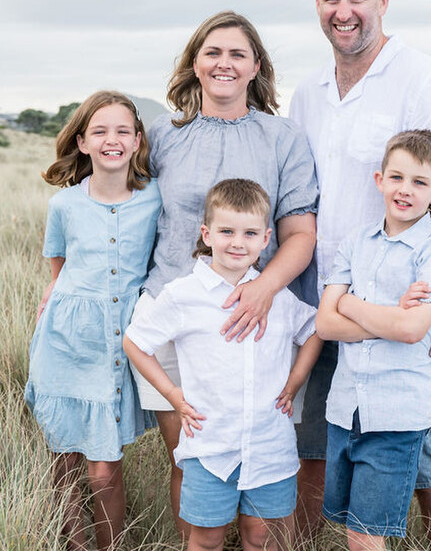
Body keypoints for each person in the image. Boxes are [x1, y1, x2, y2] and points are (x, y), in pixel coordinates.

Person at [289, 0, 431, 551]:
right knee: (316, 451)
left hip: (402, 311)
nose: (343, 11)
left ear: (383, 0)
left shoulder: (422, 79)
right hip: (321, 304)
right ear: (317, 3)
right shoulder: (308, 93)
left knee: (427, 463)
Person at [130, 11, 318, 537]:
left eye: (238, 54)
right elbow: (120, 204)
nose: (224, 64)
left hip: (260, 314)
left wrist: (262, 289)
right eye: (213, 52)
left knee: (265, 457)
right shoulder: (163, 137)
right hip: (175, 311)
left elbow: (301, 234)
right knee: (189, 462)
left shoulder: (283, 139)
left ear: (256, 66)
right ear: (195, 63)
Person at [125, 179, 324, 551]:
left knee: (263, 535)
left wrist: (296, 380)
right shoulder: (183, 295)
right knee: (206, 538)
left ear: (266, 239)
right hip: (210, 446)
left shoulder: (277, 295)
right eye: (227, 231)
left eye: (249, 233)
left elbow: (316, 329)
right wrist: (172, 393)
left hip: (269, 444)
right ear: (207, 233)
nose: (237, 242)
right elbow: (135, 342)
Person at [24, 90, 162, 551]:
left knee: (105, 466)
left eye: (123, 131)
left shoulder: (154, 198)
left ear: (138, 140)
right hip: (66, 341)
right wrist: (54, 296)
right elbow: (59, 271)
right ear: (82, 142)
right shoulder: (63, 205)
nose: (112, 140)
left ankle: (111, 545)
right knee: (64, 453)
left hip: (118, 343)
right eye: (100, 131)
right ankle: (76, 541)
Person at [317, 130, 431, 550]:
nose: (405, 190)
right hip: (347, 408)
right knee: (351, 530)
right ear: (379, 180)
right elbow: (326, 324)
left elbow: (411, 330)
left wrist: (353, 305)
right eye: (397, 178)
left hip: (395, 415)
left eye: (420, 182)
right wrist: (390, 314)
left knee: (366, 535)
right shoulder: (356, 243)